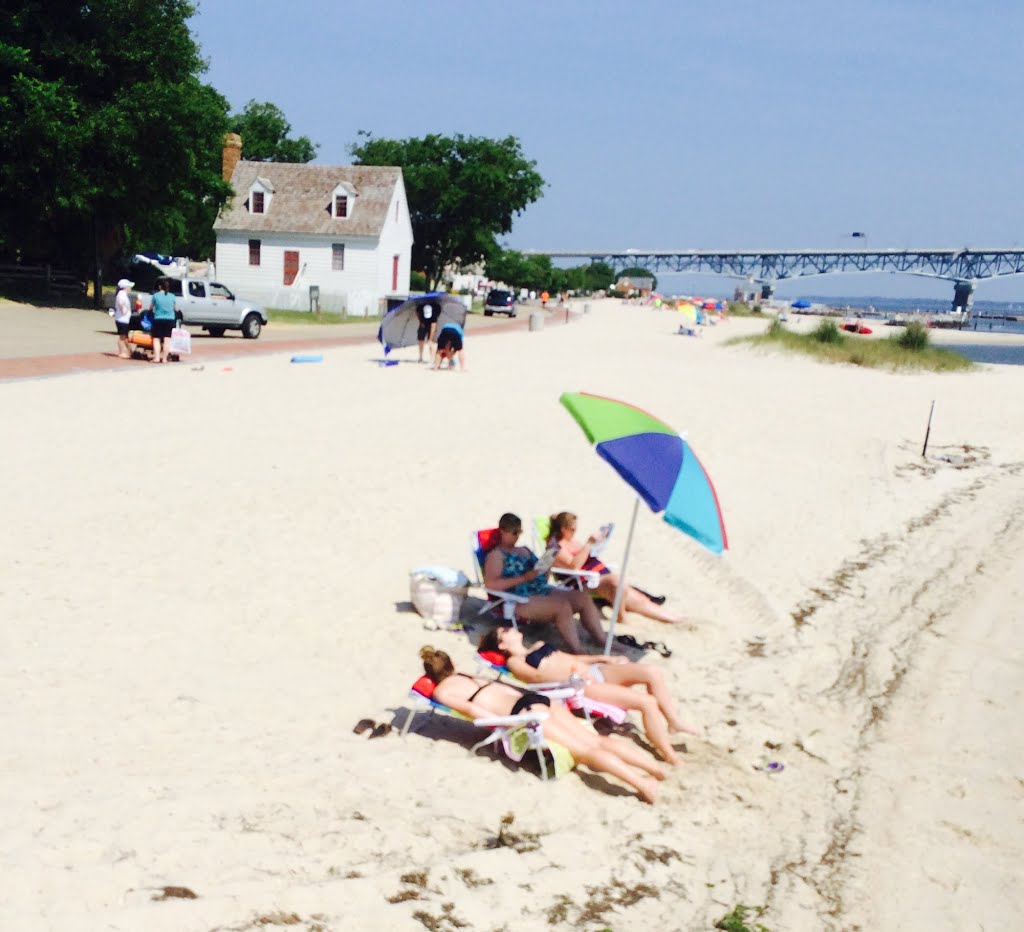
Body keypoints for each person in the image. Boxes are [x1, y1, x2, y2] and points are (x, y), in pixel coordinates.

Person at [419, 646, 664, 803]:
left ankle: (643, 785)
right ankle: (655, 770)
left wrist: (503, 725)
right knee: (597, 740)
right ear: (451, 665)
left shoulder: (442, 691)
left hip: (523, 713)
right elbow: (505, 688)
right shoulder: (471, 676)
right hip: (535, 700)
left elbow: (473, 710)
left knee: (588, 752)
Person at [479, 626, 698, 765]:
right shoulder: (514, 662)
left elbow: (573, 657)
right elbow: (537, 678)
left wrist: (603, 659)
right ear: (501, 644)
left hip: (595, 672)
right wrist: (575, 675)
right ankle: (669, 754)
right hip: (580, 686)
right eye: (504, 631)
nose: (510, 629)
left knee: (651, 672)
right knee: (646, 702)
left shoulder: (538, 645)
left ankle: (674, 722)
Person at [483, 513, 608, 654]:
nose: (517, 536)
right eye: (514, 532)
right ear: (502, 531)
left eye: (519, 532)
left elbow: (542, 573)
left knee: (582, 598)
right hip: (518, 598)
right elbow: (491, 585)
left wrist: (550, 554)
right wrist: (523, 578)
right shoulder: (496, 555)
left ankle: (603, 640)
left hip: (539, 589)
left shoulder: (524, 550)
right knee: (562, 607)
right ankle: (577, 650)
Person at [547, 512, 683, 625]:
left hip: (598, 576)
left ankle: (675, 619)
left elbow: (585, 556)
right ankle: (621, 617)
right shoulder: (555, 547)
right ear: (563, 529)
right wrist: (588, 544)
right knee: (617, 581)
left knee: (640, 599)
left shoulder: (572, 541)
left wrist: (597, 545)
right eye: (573, 529)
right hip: (584, 582)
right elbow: (573, 566)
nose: (575, 532)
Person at [148, 278, 179, 364]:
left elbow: (151, 307)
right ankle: (165, 359)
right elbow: (176, 308)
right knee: (167, 339)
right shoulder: (172, 296)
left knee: (156, 338)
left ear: (159, 287)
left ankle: (157, 358)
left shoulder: (156, 296)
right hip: (170, 320)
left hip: (158, 319)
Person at [112, 278, 134, 358]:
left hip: (124, 319)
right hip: (122, 319)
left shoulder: (123, 294)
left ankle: (130, 351)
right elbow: (120, 302)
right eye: (129, 286)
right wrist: (123, 308)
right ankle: (121, 352)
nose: (130, 288)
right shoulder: (121, 294)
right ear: (125, 287)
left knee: (124, 337)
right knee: (122, 337)